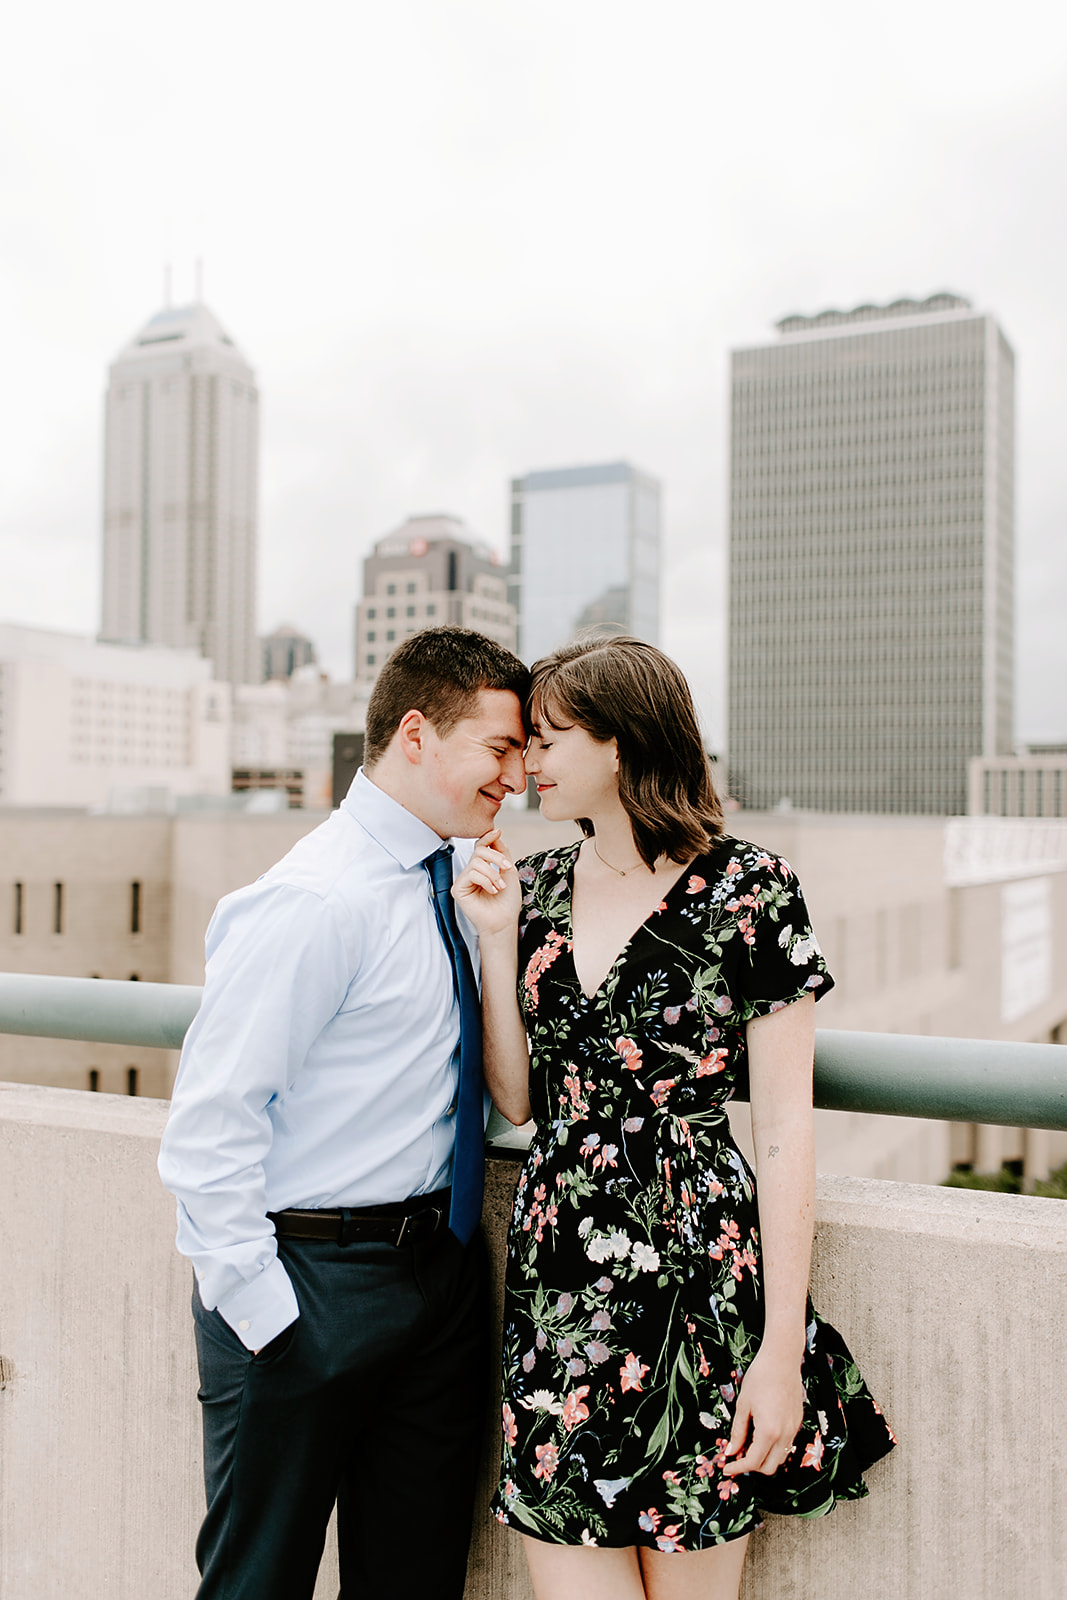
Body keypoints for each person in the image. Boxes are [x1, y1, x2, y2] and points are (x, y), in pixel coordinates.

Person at [454, 635, 895, 1600]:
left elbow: (783, 1130)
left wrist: (779, 1356)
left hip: (699, 1289)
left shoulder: (752, 888)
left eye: (549, 739)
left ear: (619, 745)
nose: (528, 762)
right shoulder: (543, 886)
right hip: (562, 1289)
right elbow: (522, 1100)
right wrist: (496, 944)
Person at [158, 626, 529, 1600]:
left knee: (412, 1582)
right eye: (499, 746)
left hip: (439, 1285)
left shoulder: (457, 881)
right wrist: (264, 1314)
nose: (516, 777)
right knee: (256, 1584)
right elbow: (211, 1120)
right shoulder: (312, 898)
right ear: (416, 734)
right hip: (307, 1283)